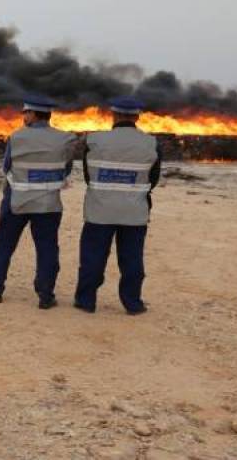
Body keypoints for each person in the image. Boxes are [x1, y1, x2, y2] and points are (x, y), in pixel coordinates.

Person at [0, 95, 79, 309]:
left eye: (25, 112)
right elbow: (66, 169)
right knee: (47, 248)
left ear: (34, 114)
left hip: (16, 201)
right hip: (48, 204)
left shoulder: (16, 138)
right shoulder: (66, 139)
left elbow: (6, 167)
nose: (23, 116)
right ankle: (46, 296)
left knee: (5, 246)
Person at [74, 96, 162, 315]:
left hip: (99, 211)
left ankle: (86, 301)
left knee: (92, 258)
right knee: (132, 259)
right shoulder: (151, 143)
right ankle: (132, 303)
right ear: (137, 117)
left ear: (113, 115)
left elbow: (88, 176)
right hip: (134, 212)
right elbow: (154, 178)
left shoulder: (94, 140)